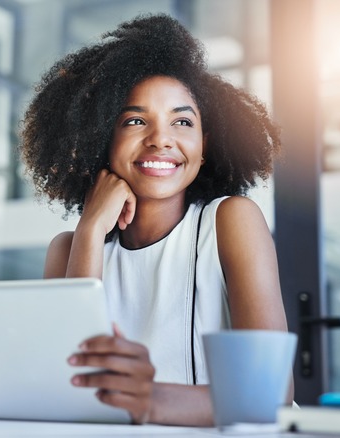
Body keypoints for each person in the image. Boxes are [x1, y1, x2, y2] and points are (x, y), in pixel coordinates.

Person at [19, 14, 290, 426]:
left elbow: (271, 393)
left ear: (204, 145)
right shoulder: (68, 249)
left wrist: (150, 400)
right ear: (100, 138)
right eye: (135, 121)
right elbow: (69, 390)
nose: (161, 139)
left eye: (182, 121)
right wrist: (90, 231)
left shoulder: (229, 221)